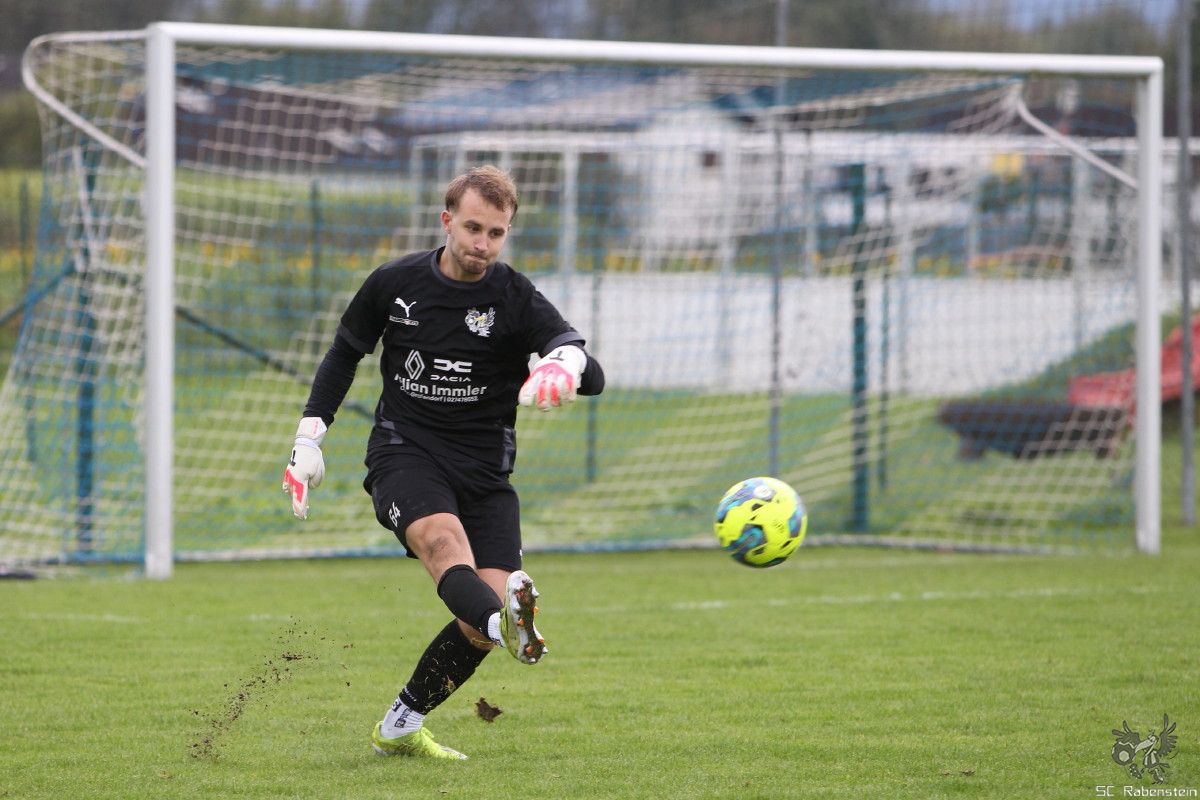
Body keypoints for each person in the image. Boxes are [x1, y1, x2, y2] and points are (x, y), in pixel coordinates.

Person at [282, 165, 605, 759]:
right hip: (405, 452)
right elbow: (344, 355)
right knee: (442, 541)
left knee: (476, 621)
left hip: (485, 473)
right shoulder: (394, 283)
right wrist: (309, 438)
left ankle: (401, 724)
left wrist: (563, 363)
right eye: (473, 228)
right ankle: (505, 623)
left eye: (496, 233)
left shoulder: (513, 295)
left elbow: (591, 371)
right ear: (447, 220)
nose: (483, 244)